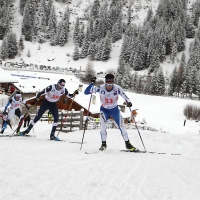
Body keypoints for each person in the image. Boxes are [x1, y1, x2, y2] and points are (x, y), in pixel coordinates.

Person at [84, 74, 138, 152]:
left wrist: (129, 102)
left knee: (122, 126)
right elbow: (86, 92)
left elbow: (125, 96)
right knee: (103, 127)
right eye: (107, 84)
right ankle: (103, 144)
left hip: (114, 110)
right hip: (104, 110)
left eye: (111, 84)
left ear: (113, 83)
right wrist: (92, 84)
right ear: (105, 83)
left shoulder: (117, 88)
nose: (109, 86)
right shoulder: (100, 88)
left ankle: (128, 144)